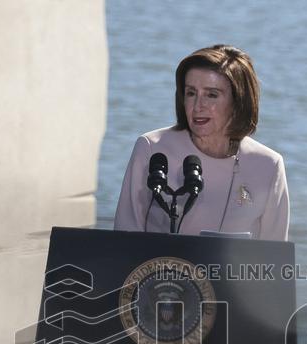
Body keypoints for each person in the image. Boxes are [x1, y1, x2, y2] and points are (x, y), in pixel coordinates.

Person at [113, 45, 289, 240]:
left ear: (239, 102)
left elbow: (275, 260)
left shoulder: (269, 166)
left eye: (211, 95)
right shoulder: (151, 148)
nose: (198, 106)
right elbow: (124, 238)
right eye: (191, 93)